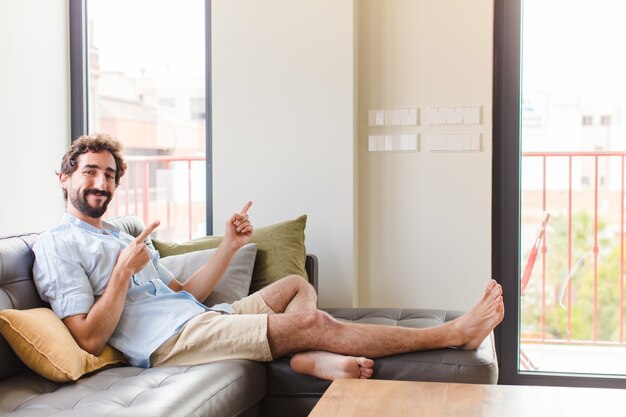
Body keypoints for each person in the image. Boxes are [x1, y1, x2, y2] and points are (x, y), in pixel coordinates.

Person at [33, 134, 504, 381]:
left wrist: (227, 248)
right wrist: (120, 277)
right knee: (314, 319)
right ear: (64, 178)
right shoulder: (58, 245)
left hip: (197, 317)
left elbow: (181, 295)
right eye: (89, 172)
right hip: (168, 344)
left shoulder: (119, 232)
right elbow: (89, 340)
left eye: (110, 174)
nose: (100, 183)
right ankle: (453, 334)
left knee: (295, 286)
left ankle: (308, 359)